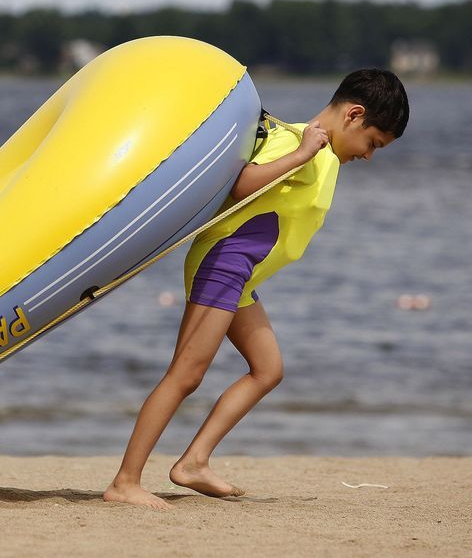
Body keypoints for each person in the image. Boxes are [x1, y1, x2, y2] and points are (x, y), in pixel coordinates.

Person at [104, 68, 409, 510]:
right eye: (373, 143)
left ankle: (193, 462)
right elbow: (239, 185)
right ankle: (125, 481)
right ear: (354, 115)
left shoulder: (319, 151)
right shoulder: (301, 143)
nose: (369, 156)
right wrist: (301, 155)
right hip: (224, 262)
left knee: (268, 369)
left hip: (242, 274)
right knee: (185, 375)